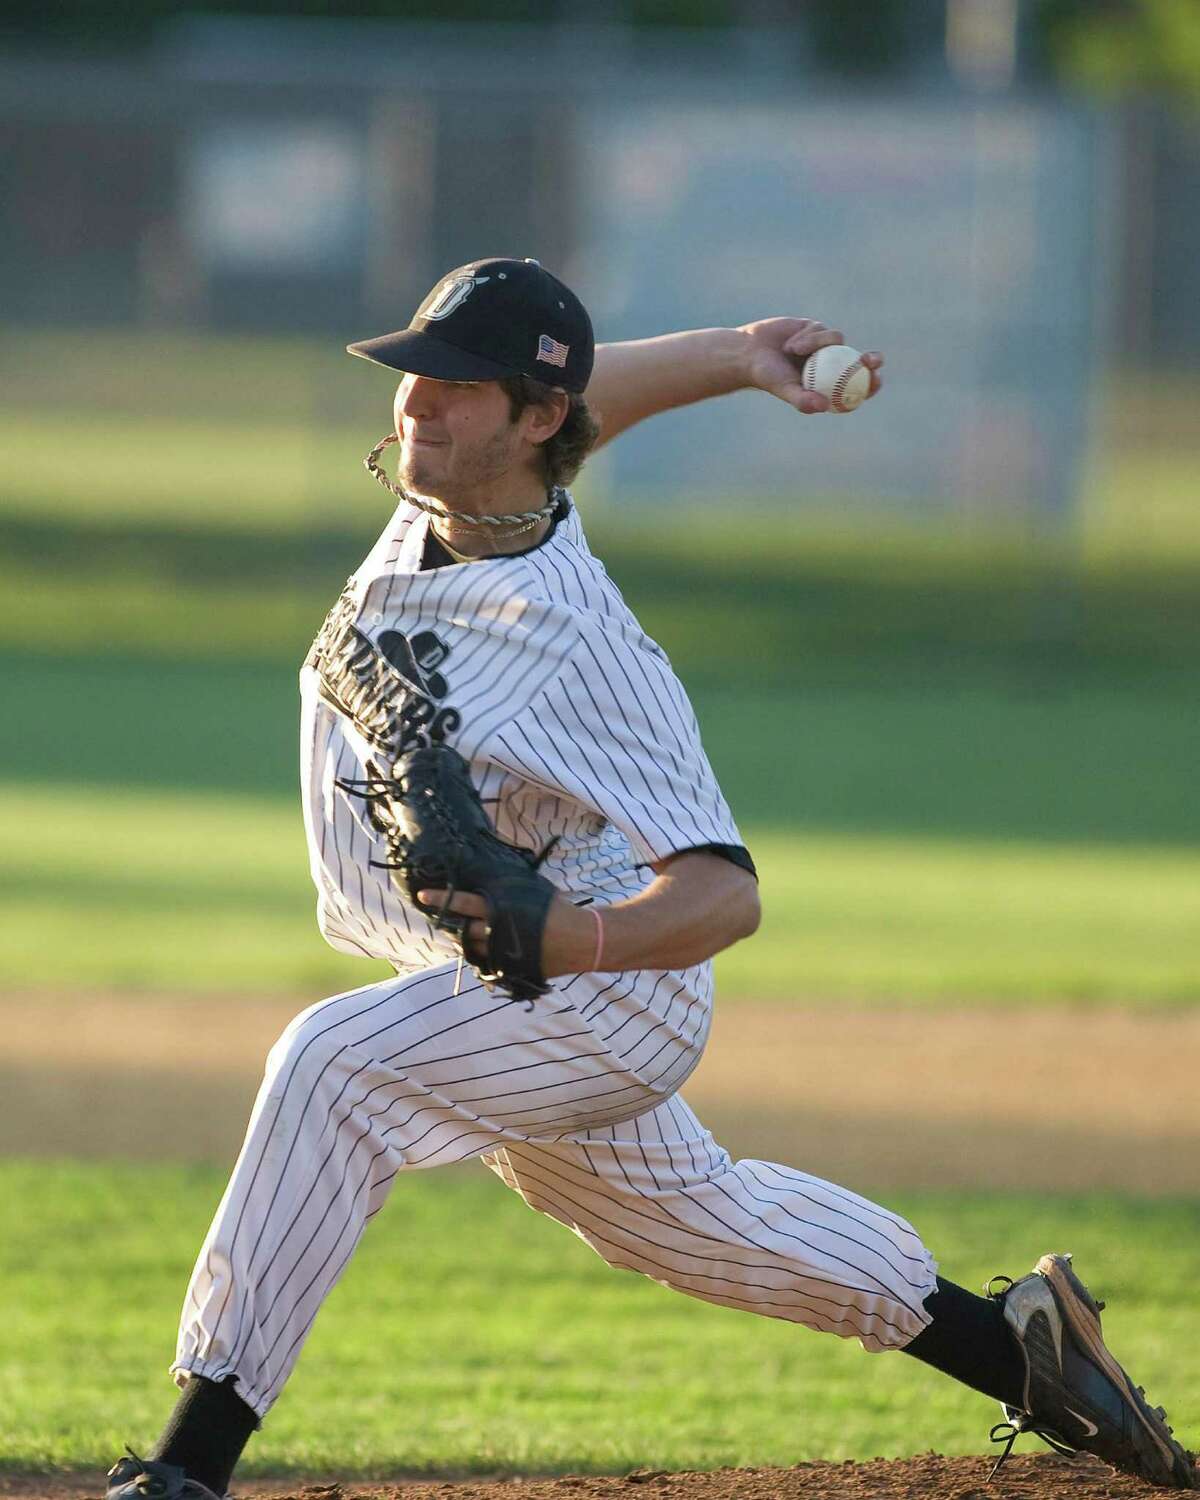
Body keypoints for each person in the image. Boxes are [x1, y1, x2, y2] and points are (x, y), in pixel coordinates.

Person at [106, 258, 1196, 1498]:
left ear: (529, 423)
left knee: (331, 1065)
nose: (416, 404)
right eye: (417, 376)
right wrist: (738, 353)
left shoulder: (579, 639)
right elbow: (592, 398)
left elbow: (727, 894)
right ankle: (1016, 1350)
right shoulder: (446, 499)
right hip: (495, 973)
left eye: (456, 388)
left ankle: (190, 1464)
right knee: (699, 1227)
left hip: (604, 982)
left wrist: (570, 937)